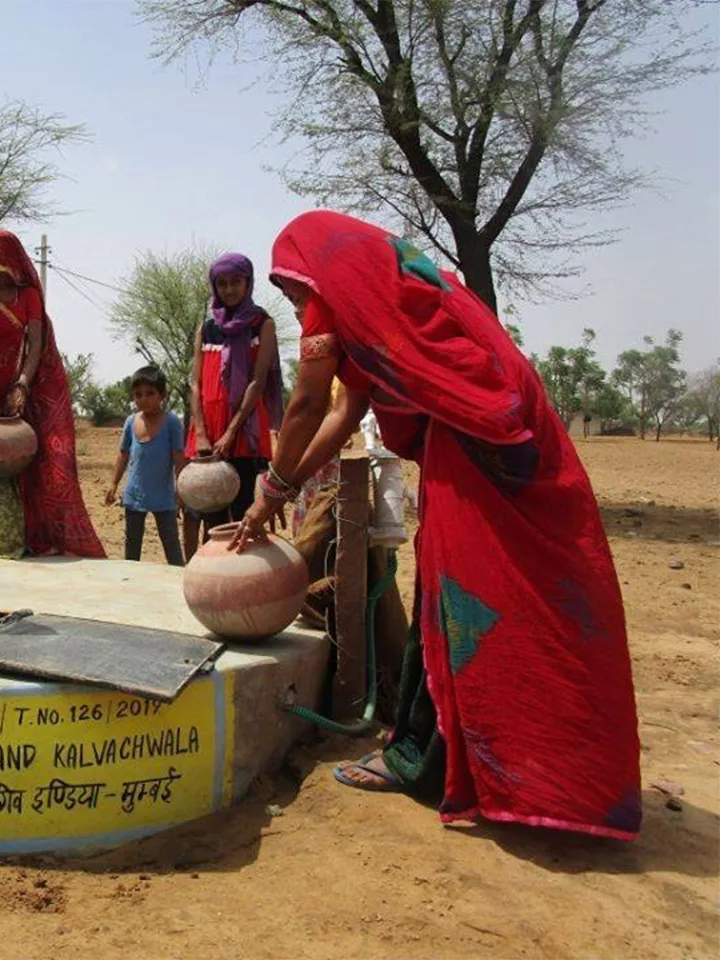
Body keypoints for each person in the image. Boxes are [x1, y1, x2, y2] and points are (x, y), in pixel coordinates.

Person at [231, 210, 641, 840]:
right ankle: (454, 754)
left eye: (293, 293)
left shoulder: (346, 307)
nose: (295, 310)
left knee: (469, 602)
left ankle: (443, 761)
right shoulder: (399, 305)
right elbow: (346, 412)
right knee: (476, 599)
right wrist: (278, 489)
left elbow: (310, 402)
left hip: (477, 453)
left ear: (317, 277)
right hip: (493, 449)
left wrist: (269, 494)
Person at [0, 230, 105, 559]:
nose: (0, 265)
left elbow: (35, 344)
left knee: (37, 459)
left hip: (21, 384)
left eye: (8, 256)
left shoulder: (28, 295)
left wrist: (22, 385)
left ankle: (36, 535)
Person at [186, 252, 284, 530]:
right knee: (211, 514)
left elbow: (258, 382)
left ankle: (241, 573)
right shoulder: (206, 329)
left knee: (241, 511)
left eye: (236, 282)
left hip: (244, 429)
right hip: (208, 430)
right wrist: (202, 434)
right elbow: (196, 384)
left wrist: (231, 432)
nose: (229, 289)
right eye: (222, 283)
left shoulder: (262, 324)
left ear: (248, 283)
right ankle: (213, 572)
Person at [105, 366, 187, 566]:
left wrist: (181, 491)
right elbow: (123, 454)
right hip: (135, 494)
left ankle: (178, 580)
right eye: (138, 395)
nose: (143, 399)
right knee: (132, 543)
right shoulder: (131, 422)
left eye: (150, 393)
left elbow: (178, 459)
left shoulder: (172, 423)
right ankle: (130, 582)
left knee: (170, 542)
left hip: (164, 496)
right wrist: (114, 484)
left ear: (162, 395)